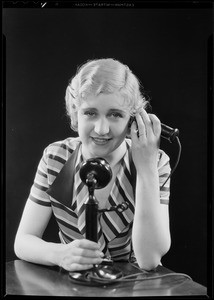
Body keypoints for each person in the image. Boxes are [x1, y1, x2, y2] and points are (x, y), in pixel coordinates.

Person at [14, 58, 171, 272]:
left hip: (135, 286)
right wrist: (60, 254)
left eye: (115, 114)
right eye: (90, 113)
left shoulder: (156, 161)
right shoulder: (55, 157)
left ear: (133, 120)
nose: (101, 129)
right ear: (75, 113)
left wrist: (145, 168)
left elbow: (149, 260)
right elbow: (23, 241)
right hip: (74, 284)